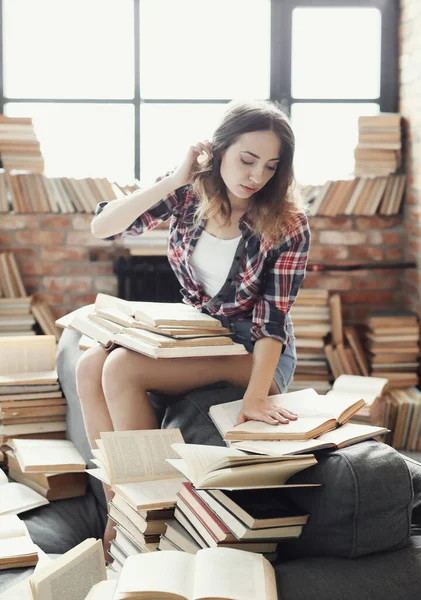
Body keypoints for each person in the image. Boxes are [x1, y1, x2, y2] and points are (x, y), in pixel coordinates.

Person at [76, 99, 311, 556]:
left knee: (122, 367)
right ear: (218, 150)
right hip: (199, 333)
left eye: (270, 166)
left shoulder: (288, 222)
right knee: (89, 365)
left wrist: (257, 397)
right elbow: (103, 226)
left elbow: (272, 322)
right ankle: (120, 509)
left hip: (254, 351)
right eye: (246, 159)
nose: (256, 176)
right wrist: (176, 177)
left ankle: (151, 514)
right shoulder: (189, 192)